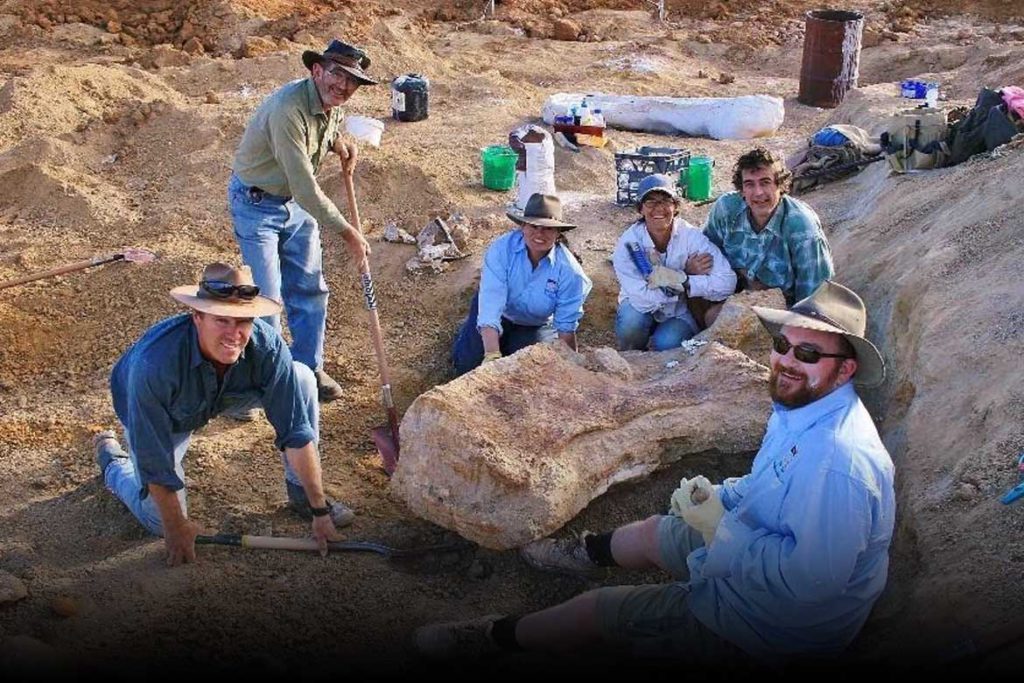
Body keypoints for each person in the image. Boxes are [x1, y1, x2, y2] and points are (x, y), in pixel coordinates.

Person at [414, 280, 894, 666]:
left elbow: (810, 584)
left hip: (772, 626)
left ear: (845, 368)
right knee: (654, 532)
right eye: (783, 344)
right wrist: (720, 497)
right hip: (750, 543)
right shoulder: (803, 405)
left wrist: (721, 534)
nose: (788, 361)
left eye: (808, 355)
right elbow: (767, 484)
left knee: (602, 612)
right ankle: (571, 555)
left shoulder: (839, 464)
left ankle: (495, 637)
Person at [95, 263, 354, 567]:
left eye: (243, 321)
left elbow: (295, 431)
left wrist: (319, 510)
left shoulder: (267, 346)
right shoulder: (154, 366)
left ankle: (300, 494)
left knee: (301, 377)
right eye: (222, 321)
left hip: (229, 393)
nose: (235, 334)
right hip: (169, 415)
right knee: (159, 521)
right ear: (197, 317)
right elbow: (155, 460)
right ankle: (114, 464)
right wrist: (176, 526)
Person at [228, 38, 377, 403]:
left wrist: (338, 143)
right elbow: (307, 187)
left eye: (352, 81)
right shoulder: (286, 110)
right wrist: (349, 233)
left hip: (293, 205)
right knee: (266, 300)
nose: (343, 87)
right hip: (257, 204)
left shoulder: (332, 103)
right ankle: (260, 383)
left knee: (311, 288)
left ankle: (308, 368)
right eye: (337, 75)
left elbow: (326, 129)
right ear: (316, 70)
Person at [451, 193, 592, 376]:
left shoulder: (570, 272)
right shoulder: (502, 250)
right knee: (468, 365)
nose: (539, 234)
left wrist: (572, 368)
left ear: (558, 234)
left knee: (524, 369)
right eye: (533, 226)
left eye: (547, 229)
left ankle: (503, 341)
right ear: (522, 227)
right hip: (500, 312)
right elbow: (491, 302)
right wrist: (492, 355)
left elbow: (566, 325)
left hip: (535, 324)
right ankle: (469, 334)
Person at [697, 147, 835, 327]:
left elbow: (814, 299)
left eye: (765, 182)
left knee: (718, 319)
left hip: (784, 311)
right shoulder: (726, 209)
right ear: (742, 189)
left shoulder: (803, 229)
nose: (758, 193)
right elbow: (707, 250)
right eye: (749, 184)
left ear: (780, 185)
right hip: (735, 291)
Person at [612, 174, 736, 351]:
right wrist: (683, 275)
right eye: (650, 202)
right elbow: (641, 298)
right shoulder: (629, 244)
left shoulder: (691, 237)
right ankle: (631, 357)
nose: (658, 208)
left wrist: (685, 281)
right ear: (640, 209)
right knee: (631, 325)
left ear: (676, 207)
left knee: (668, 343)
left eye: (665, 201)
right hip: (640, 308)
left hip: (678, 312)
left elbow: (727, 282)